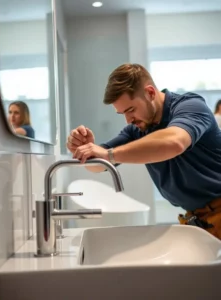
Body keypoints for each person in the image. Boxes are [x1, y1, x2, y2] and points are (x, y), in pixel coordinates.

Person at [67, 63, 221, 240]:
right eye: (122, 113)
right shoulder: (138, 130)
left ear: (150, 93)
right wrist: (85, 150)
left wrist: (108, 154)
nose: (128, 120)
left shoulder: (190, 106)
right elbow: (99, 166)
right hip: (198, 218)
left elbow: (174, 142)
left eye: (131, 110)